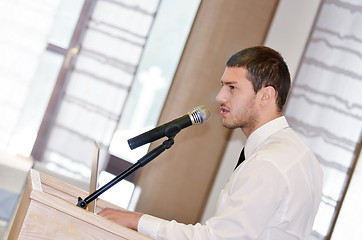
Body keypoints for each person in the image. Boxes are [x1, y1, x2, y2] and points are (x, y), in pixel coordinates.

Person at [98, 46, 323, 240]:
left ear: (266, 96)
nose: (220, 97)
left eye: (232, 87)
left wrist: (137, 221)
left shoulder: (269, 163)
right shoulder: (301, 157)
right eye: (222, 86)